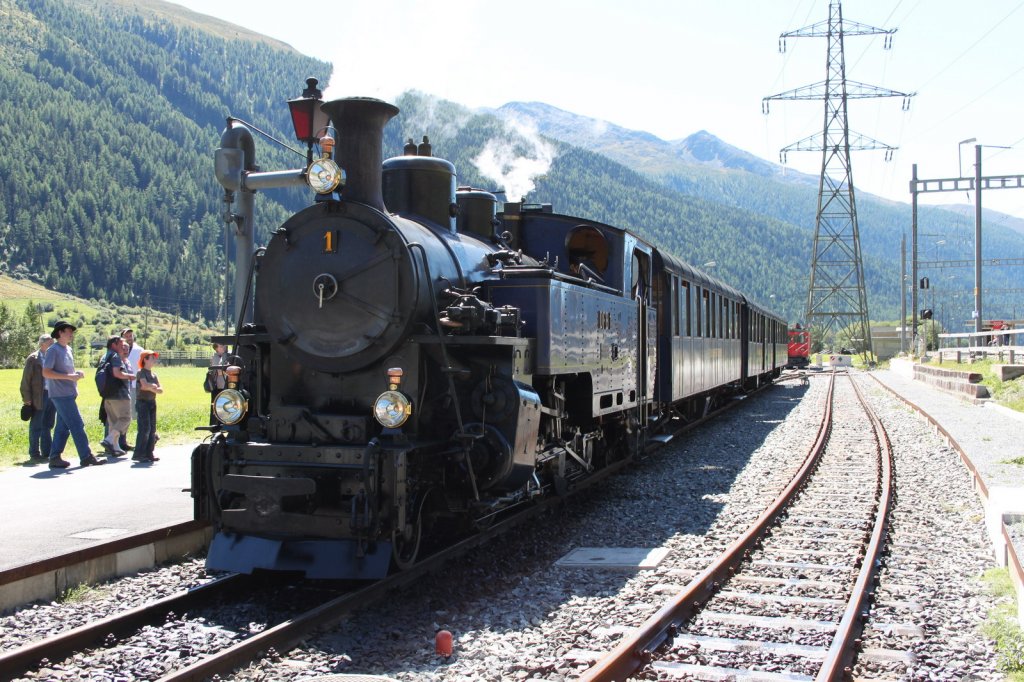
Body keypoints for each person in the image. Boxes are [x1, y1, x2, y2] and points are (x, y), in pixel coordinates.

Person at [42, 321, 104, 468]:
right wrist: (70, 377)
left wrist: (76, 374)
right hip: (60, 394)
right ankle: (86, 456)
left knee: (62, 427)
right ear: (60, 333)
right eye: (69, 331)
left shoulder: (68, 349)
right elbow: (46, 372)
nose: (71, 334)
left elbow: (67, 371)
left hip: (69, 393)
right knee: (77, 424)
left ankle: (54, 457)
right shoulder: (53, 350)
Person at [21, 334, 57, 461]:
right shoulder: (33, 358)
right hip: (39, 396)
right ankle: (34, 453)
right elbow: (26, 380)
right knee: (36, 424)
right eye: (50, 342)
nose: (52, 345)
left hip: (52, 394)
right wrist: (26, 398)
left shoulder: (53, 357)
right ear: (42, 344)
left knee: (48, 424)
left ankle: (47, 452)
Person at [99, 335, 134, 457]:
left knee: (113, 421)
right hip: (120, 394)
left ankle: (115, 447)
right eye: (121, 344)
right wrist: (129, 376)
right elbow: (117, 373)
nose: (123, 347)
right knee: (126, 418)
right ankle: (109, 440)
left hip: (107, 395)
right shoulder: (115, 356)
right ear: (114, 344)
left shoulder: (105, 356)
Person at [134, 350, 162, 463]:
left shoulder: (154, 375)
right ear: (145, 359)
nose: (154, 360)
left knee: (152, 429)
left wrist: (152, 387)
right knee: (144, 428)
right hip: (142, 403)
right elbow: (144, 386)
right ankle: (139, 453)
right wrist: (152, 386)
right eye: (151, 358)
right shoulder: (141, 373)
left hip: (152, 402)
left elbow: (161, 390)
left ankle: (149, 453)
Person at [119, 328, 143, 451]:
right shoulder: (119, 350)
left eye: (130, 335)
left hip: (136, 385)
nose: (129, 337)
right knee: (125, 414)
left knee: (136, 413)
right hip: (123, 385)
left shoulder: (139, 350)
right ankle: (121, 440)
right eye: (126, 335)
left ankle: (143, 437)